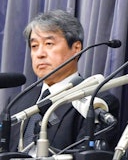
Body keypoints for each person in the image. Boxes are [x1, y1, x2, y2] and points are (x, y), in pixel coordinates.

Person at [9, 10, 120, 154]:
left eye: (49, 44)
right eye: (34, 46)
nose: (40, 54)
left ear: (76, 48)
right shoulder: (17, 103)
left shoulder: (97, 103)